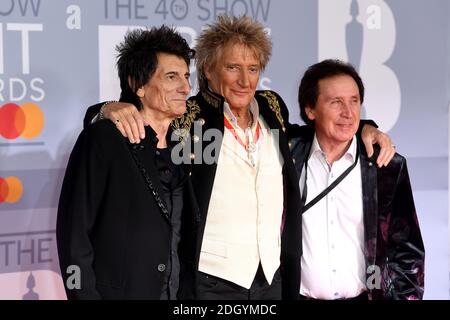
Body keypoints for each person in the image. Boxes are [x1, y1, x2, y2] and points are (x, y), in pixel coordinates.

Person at [83, 16, 395, 300]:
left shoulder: (272, 108)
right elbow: (144, 115)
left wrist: (365, 128)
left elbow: (315, 131)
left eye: (253, 69)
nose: (245, 81)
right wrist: (104, 110)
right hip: (211, 280)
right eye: (233, 68)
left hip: (270, 279)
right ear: (208, 70)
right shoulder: (189, 118)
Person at [56, 26, 196, 299]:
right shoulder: (104, 138)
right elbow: (74, 236)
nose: (185, 87)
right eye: (171, 77)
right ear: (138, 85)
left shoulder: (188, 142)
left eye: (187, 76)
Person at [290, 59, 424, 300]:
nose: (348, 113)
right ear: (310, 110)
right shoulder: (287, 155)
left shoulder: (387, 166)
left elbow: (408, 252)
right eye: (336, 102)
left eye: (354, 101)